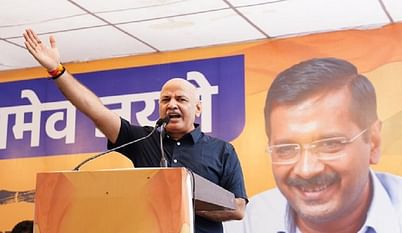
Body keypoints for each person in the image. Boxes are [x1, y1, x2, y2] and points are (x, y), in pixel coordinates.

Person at [23, 29, 247, 233]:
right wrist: (57, 70)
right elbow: (96, 111)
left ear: (198, 108)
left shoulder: (222, 151)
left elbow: (237, 208)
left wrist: (181, 204)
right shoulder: (144, 139)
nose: (172, 105)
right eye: (165, 100)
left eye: (181, 99)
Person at [236, 57, 402, 233]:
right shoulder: (246, 224)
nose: (307, 170)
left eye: (329, 144)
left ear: (373, 142)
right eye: (286, 149)